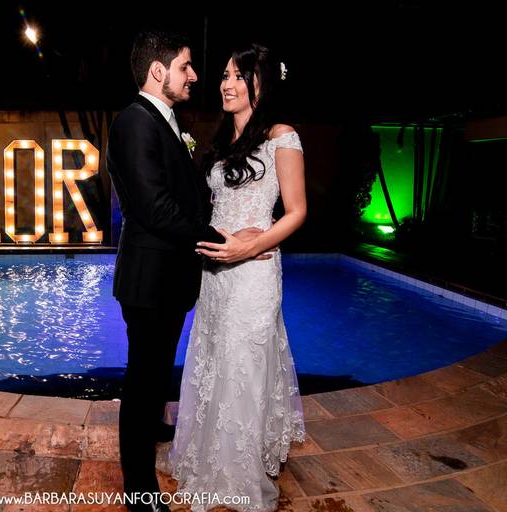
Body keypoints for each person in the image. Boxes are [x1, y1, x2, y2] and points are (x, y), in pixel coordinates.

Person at [106, 31, 261, 512]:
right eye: (185, 66)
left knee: (153, 375)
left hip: (166, 280)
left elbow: (181, 193)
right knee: (142, 381)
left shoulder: (165, 120)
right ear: (159, 71)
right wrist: (219, 239)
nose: (194, 76)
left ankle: (151, 423)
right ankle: (139, 490)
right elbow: (154, 208)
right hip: (149, 281)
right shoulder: (134, 121)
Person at [168, 44, 307, 512]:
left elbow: (297, 211)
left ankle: (239, 470)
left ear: (259, 84)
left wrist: (251, 245)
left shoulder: (282, 136)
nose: (226, 84)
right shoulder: (223, 140)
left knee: (243, 364)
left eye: (237, 76)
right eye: (225, 75)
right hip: (215, 275)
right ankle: (208, 455)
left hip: (254, 272)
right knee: (214, 361)